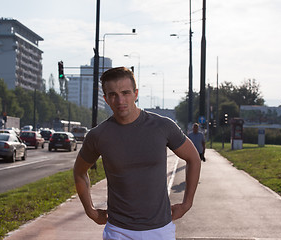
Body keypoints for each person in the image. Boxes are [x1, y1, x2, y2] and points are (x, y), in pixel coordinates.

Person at [74, 67, 201, 240]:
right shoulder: (98, 135)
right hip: (118, 231)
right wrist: (90, 211)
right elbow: (79, 172)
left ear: (136, 93)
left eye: (125, 92)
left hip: (160, 229)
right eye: (113, 95)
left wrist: (187, 203)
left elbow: (193, 158)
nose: (120, 100)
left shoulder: (163, 126)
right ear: (105, 99)